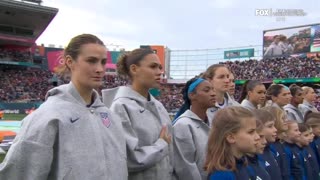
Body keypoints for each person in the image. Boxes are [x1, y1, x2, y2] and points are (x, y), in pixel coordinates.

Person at [0, 34, 128, 180]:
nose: (99, 69)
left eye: (103, 62)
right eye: (91, 61)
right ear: (70, 62)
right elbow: (18, 174)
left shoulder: (111, 117)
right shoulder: (46, 117)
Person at [102, 48, 174, 180]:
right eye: (153, 67)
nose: (160, 72)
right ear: (134, 69)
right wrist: (161, 144)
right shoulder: (120, 107)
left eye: (160, 67)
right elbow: (129, 159)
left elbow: (170, 156)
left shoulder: (159, 106)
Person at [172, 77, 216, 180]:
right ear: (192, 95)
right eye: (207, 90)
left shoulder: (212, 120)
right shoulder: (183, 125)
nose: (213, 93)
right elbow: (185, 168)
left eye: (213, 89)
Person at [204, 106, 260, 179]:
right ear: (231, 138)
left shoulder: (246, 167)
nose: (257, 137)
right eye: (251, 132)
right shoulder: (222, 176)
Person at [253, 109, 282, 179]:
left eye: (274, 125)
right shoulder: (255, 156)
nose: (275, 129)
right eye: (270, 126)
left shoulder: (270, 150)